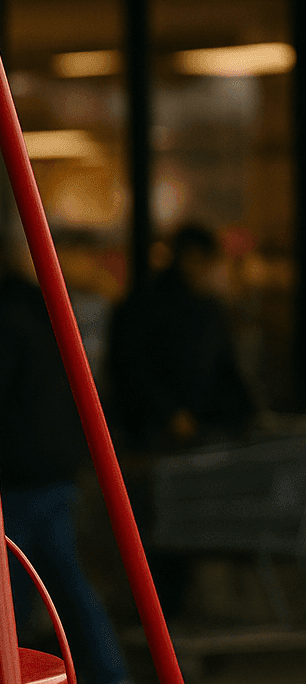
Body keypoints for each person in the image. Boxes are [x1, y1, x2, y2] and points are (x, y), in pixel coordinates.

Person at [0, 234, 138, 684]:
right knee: (61, 579)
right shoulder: (43, 313)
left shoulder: (0, 323)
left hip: (14, 473)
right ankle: (110, 678)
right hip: (55, 468)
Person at [108, 223, 256, 625]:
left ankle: (169, 614)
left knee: (178, 525)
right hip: (156, 438)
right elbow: (130, 369)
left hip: (195, 438)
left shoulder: (205, 308)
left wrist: (245, 415)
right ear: (191, 259)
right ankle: (159, 616)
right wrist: (169, 414)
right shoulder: (150, 305)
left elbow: (225, 369)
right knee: (159, 529)